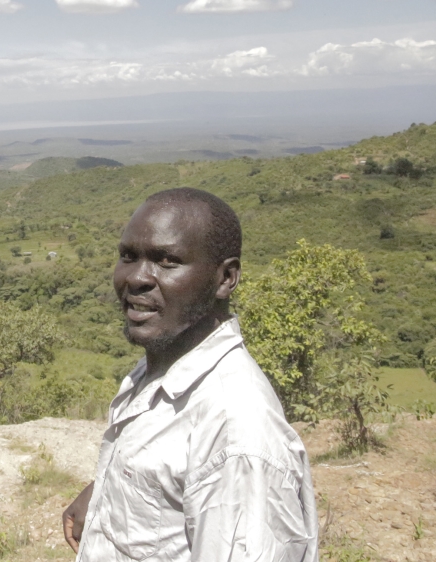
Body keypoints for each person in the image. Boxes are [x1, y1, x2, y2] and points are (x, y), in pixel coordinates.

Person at [62, 188, 318, 562]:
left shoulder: (235, 429)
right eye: (128, 257)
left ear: (225, 278)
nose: (137, 277)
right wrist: (106, 495)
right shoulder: (166, 365)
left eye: (167, 261)